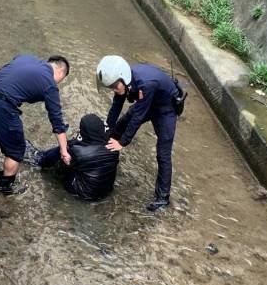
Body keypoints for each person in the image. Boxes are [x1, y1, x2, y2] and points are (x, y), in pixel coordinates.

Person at [96, 55, 186, 212]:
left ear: (123, 78)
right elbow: (116, 107)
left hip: (165, 109)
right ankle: (106, 155)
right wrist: (107, 128)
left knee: (163, 153)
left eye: (115, 87)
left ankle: (162, 198)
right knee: (120, 125)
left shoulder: (145, 84)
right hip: (147, 103)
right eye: (112, 88)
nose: (114, 90)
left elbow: (137, 118)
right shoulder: (123, 82)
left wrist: (122, 142)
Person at [0, 54, 71, 195]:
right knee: (15, 152)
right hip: (2, 105)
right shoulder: (50, 83)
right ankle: (5, 192)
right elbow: (57, 121)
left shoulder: (26, 58)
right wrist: (64, 150)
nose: (57, 83)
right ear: (59, 71)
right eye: (60, 80)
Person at [36, 112, 119, 202]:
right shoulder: (113, 146)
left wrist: (66, 147)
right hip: (106, 192)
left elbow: (63, 164)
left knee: (63, 153)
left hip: (82, 194)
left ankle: (37, 158)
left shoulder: (78, 152)